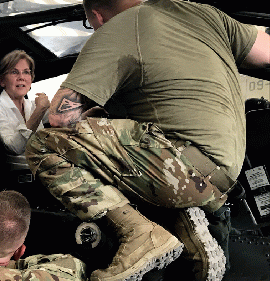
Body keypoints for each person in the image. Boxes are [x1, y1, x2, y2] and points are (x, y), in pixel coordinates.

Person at [24, 0, 270, 280]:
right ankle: (185, 228)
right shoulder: (206, 14)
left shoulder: (120, 27)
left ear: (96, 16)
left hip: (178, 165)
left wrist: (92, 116)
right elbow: (266, 53)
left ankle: (137, 233)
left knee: (43, 144)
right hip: (222, 177)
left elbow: (58, 119)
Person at [0, 50, 50, 193]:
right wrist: (40, 110)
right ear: (2, 81)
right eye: (14, 72)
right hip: (19, 184)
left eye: (26, 72)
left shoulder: (32, 105)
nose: (21, 77)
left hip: (46, 177)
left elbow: (61, 117)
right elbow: (15, 147)